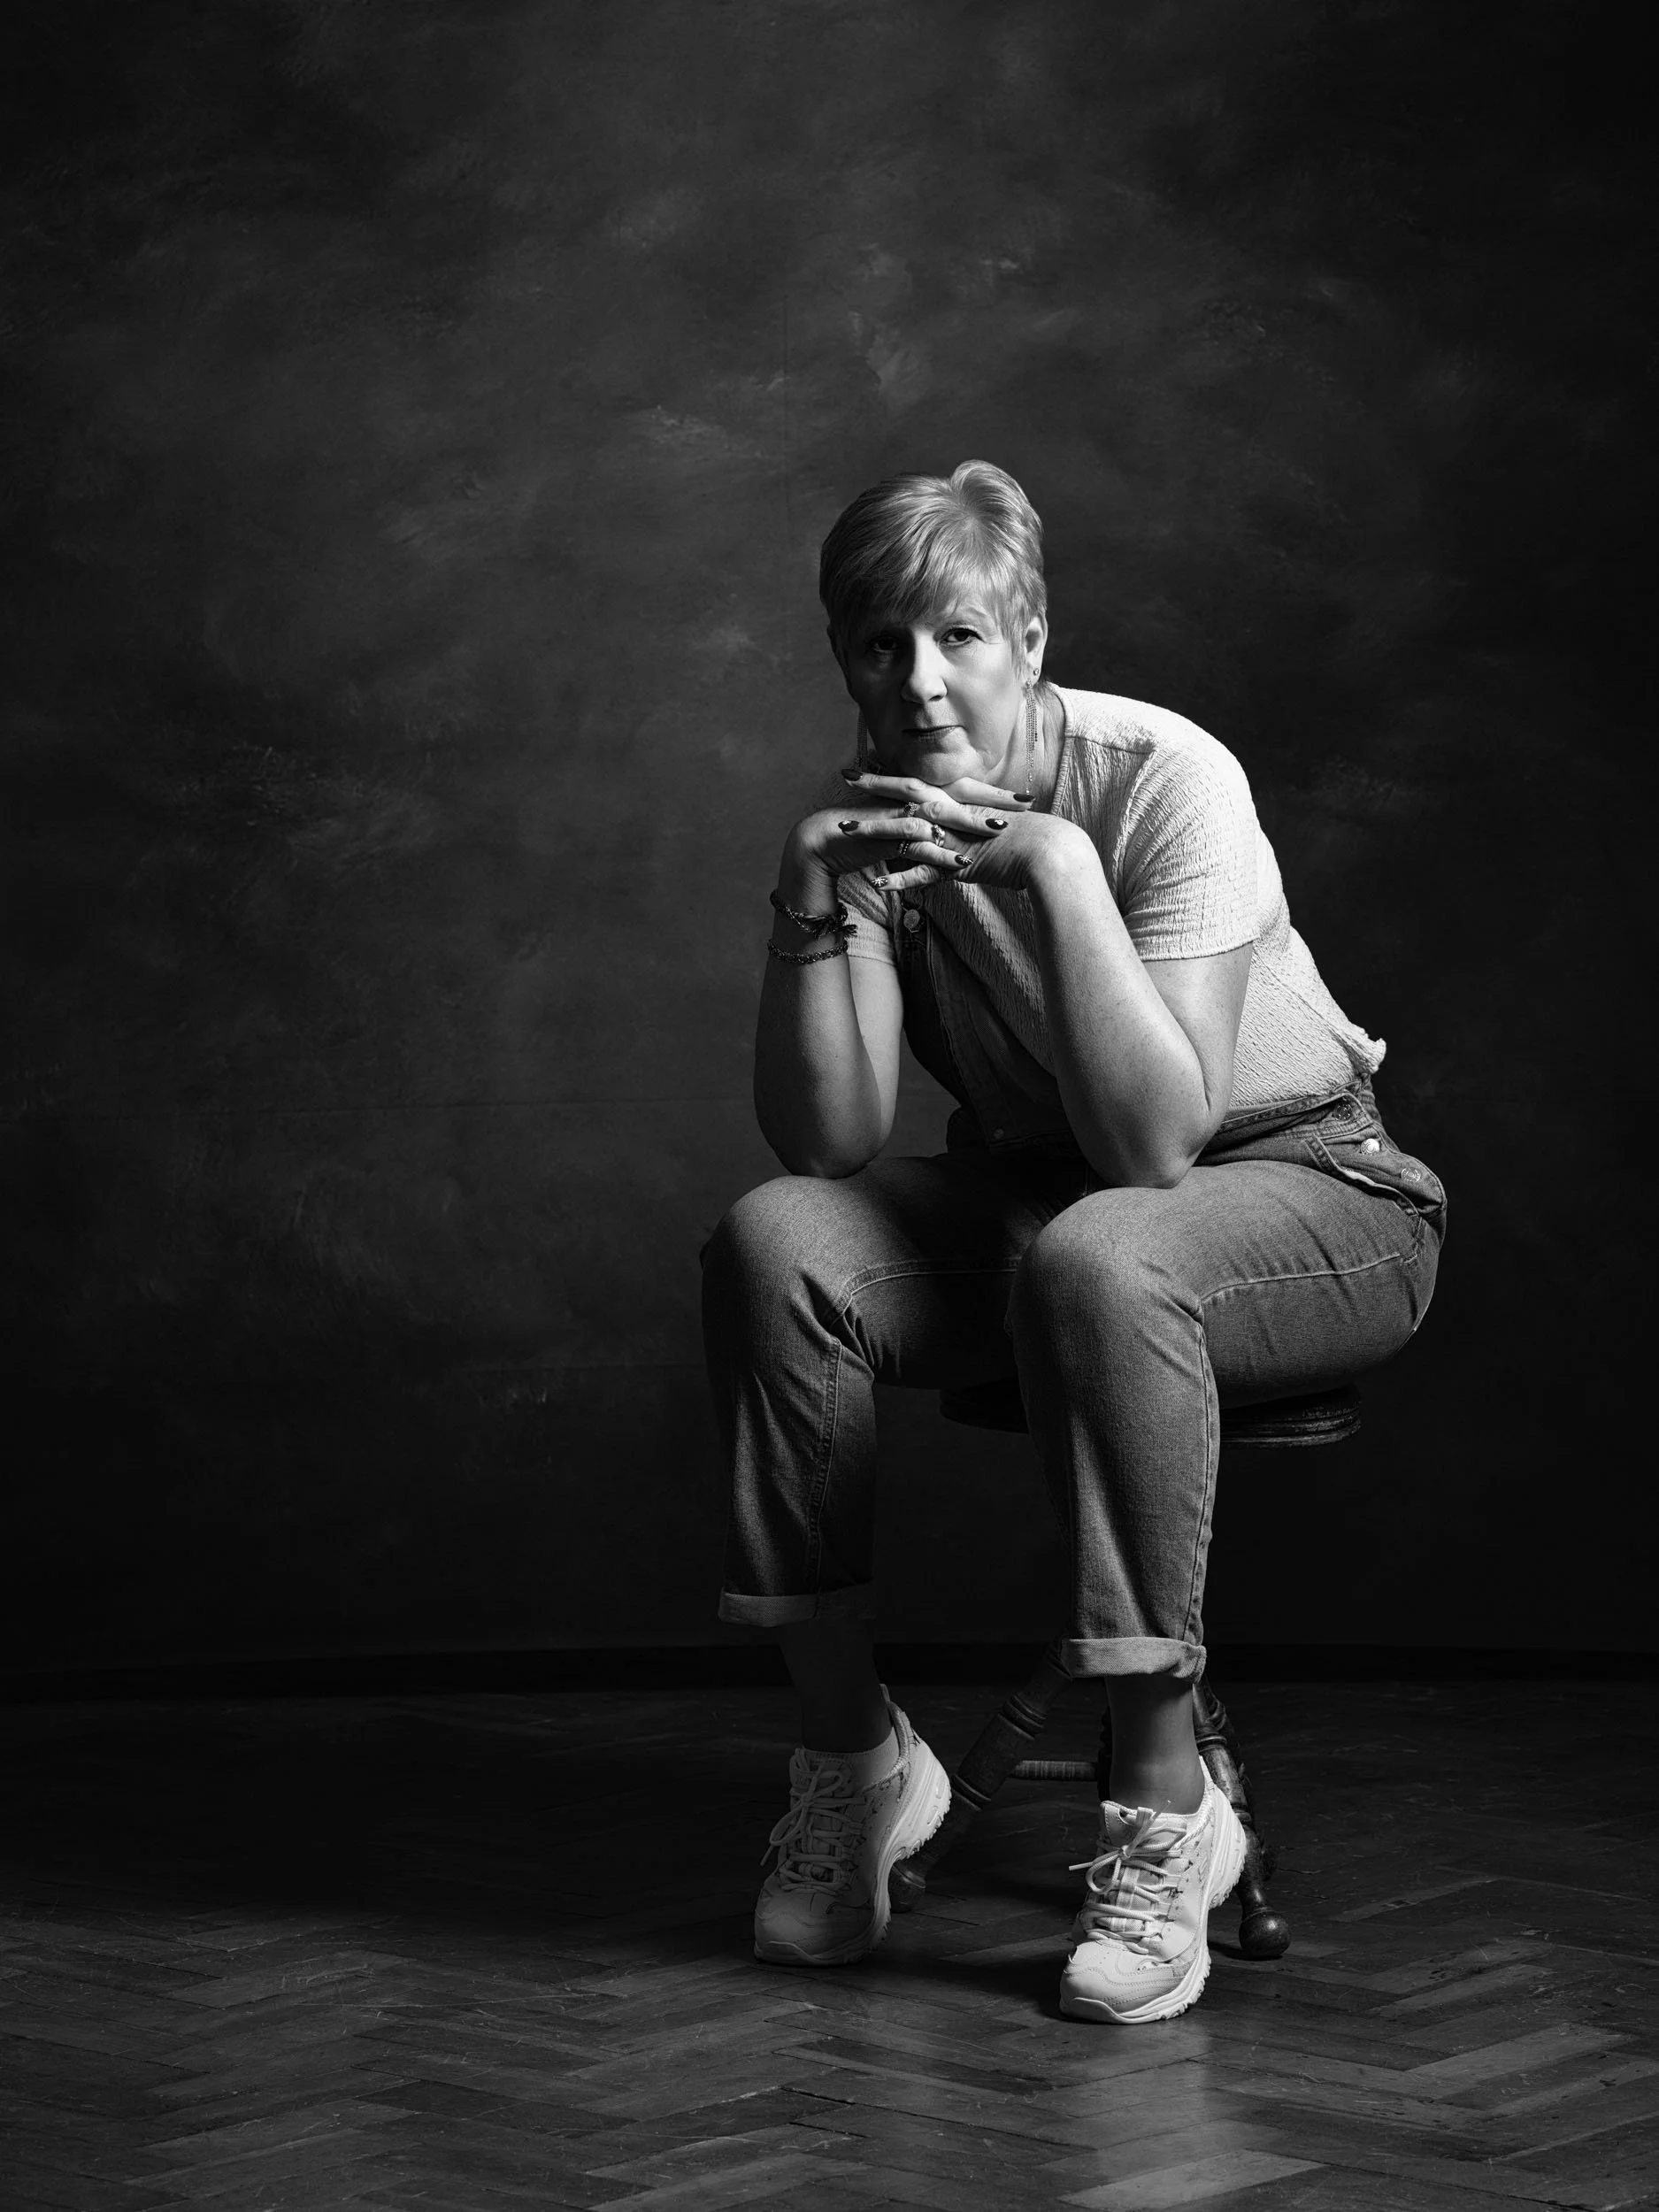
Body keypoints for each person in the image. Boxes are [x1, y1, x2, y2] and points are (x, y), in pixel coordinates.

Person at [701, 461, 1445, 2025]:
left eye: (957, 637)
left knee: (1107, 1251)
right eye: (879, 645)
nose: (918, 684)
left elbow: (1154, 1147)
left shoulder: (1161, 776)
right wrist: (808, 891)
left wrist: (1055, 871)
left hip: (1316, 1194)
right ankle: (852, 1761)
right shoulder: (880, 812)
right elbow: (828, 1140)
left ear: (1028, 637)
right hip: (1049, 1205)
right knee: (778, 1245)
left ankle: (1166, 1806)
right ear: (841, 657)